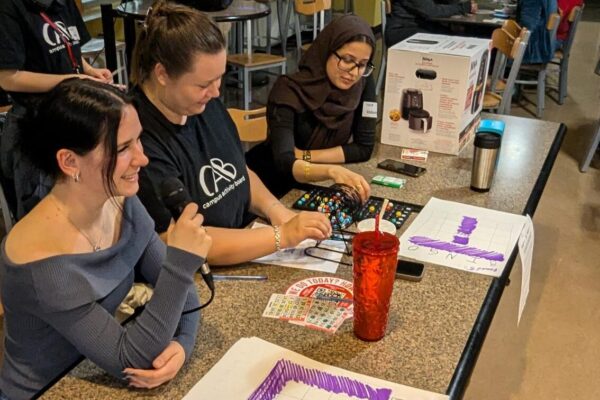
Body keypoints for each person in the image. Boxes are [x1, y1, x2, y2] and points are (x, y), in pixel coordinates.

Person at [0, 79, 209, 399]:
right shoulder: (42, 264)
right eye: (123, 148)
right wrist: (179, 264)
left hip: (91, 371)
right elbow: (132, 359)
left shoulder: (120, 200)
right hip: (49, 391)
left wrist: (181, 345)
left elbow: (186, 300)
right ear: (69, 161)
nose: (142, 158)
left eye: (139, 141)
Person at [130, 1, 331, 266]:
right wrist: (282, 236)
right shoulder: (137, 140)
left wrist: (277, 211)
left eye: (219, 78)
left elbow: (238, 172)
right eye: (203, 84)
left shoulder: (201, 103)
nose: (215, 93)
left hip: (246, 238)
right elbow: (179, 241)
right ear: (162, 74)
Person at [0, 0, 113, 219]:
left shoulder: (63, 3)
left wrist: (90, 72)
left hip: (70, 115)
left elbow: (71, 48)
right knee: (44, 212)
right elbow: (7, 78)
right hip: (34, 123)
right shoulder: (9, 9)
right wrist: (69, 80)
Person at [246, 15, 375, 201]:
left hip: (315, 184)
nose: (354, 73)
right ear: (327, 51)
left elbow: (363, 148)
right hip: (271, 187)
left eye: (362, 65)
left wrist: (305, 155)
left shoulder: (362, 82)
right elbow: (285, 162)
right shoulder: (288, 91)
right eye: (347, 60)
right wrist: (331, 169)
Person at [385, 0, 478, 47]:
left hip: (421, 25)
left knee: (460, 37)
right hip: (402, 29)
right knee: (450, 41)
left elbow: (445, 2)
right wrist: (463, 8)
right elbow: (431, 11)